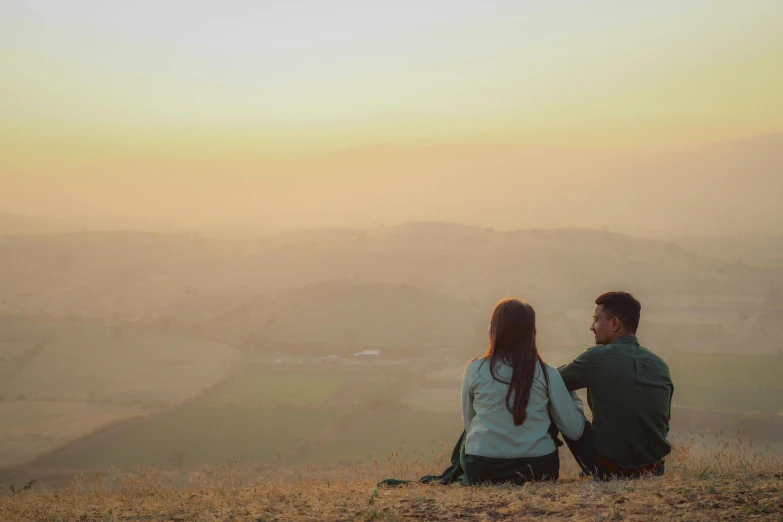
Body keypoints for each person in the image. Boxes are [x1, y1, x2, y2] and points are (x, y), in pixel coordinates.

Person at [461, 298, 585, 485]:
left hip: (482, 468)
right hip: (537, 467)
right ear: (531, 333)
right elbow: (574, 431)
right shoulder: (547, 373)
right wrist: (571, 395)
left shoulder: (474, 369)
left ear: (495, 330)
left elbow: (469, 425)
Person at [559, 291, 674, 479]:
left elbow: (552, 381)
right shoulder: (660, 364)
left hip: (610, 469)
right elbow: (664, 422)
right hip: (653, 469)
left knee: (558, 391)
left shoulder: (597, 357)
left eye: (596, 320)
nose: (592, 327)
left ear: (614, 323)